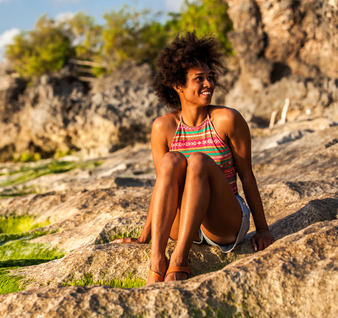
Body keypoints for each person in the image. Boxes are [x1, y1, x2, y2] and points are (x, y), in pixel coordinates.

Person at [111, 31, 274, 285]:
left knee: (197, 161)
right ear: (179, 86)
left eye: (210, 77)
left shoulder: (227, 120)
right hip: (183, 224)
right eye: (199, 79)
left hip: (223, 223)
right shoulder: (163, 128)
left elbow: (247, 176)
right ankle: (157, 260)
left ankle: (180, 259)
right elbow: (162, 186)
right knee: (171, 162)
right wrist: (145, 236)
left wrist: (263, 228)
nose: (208, 84)